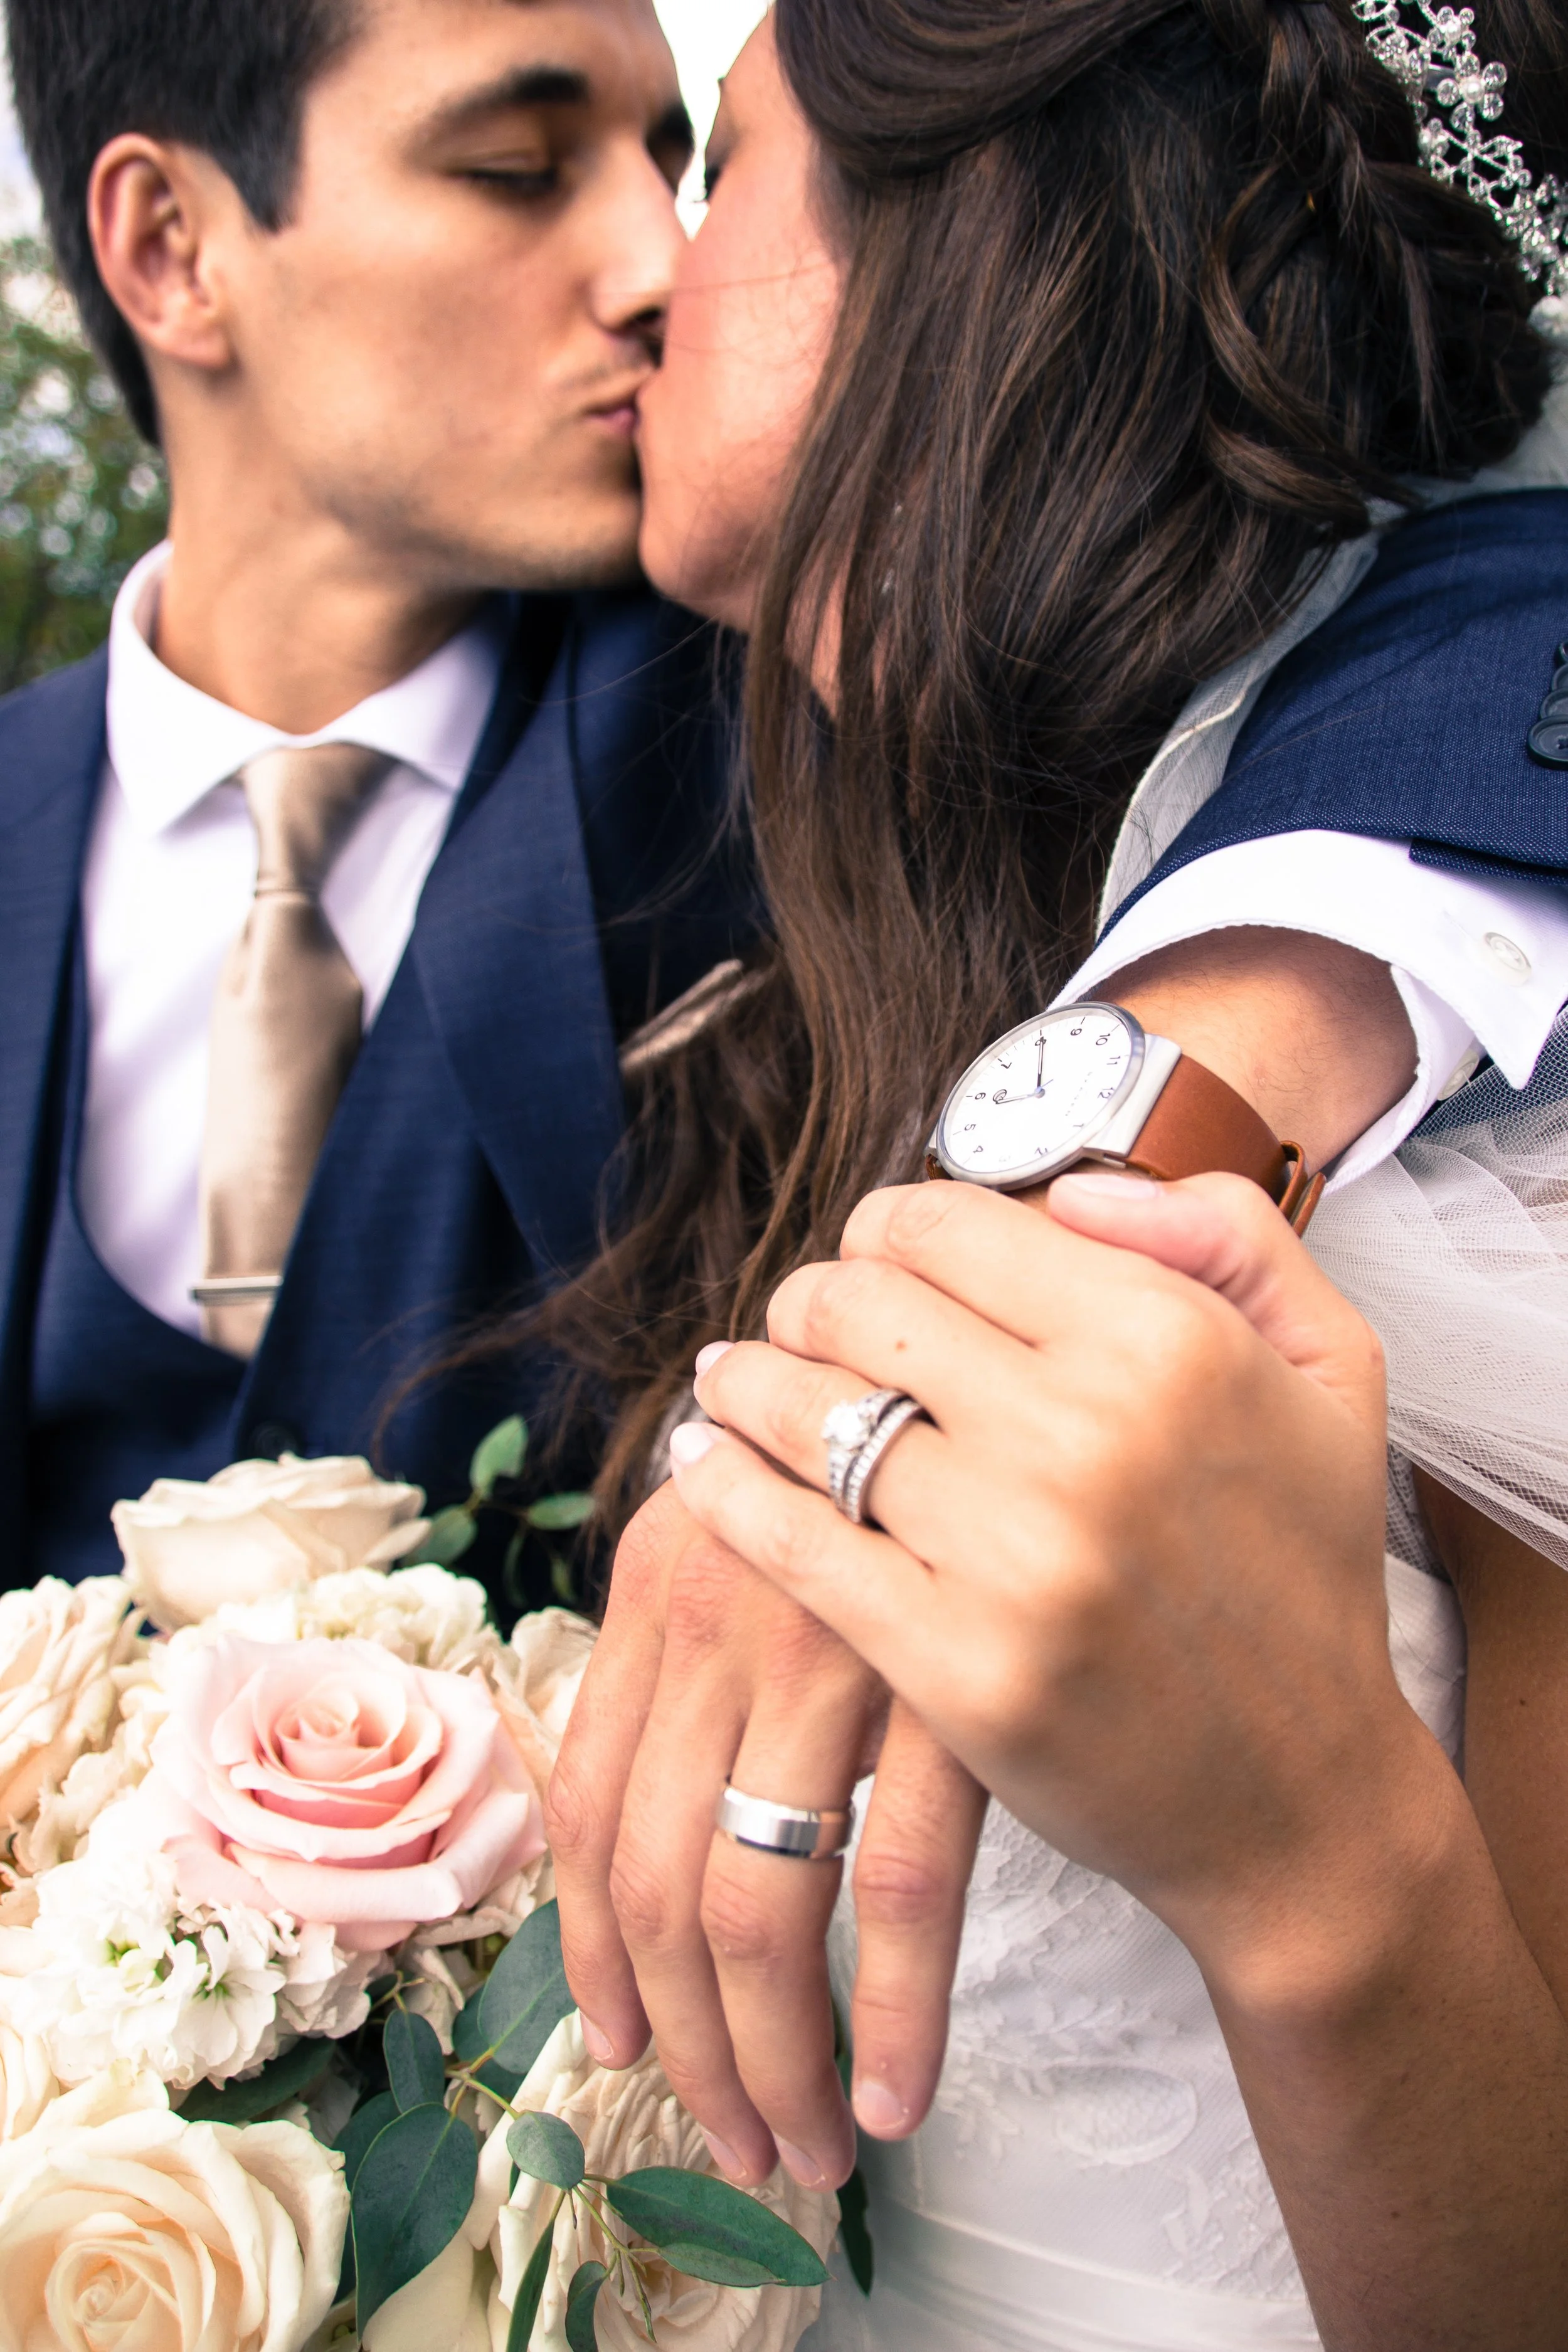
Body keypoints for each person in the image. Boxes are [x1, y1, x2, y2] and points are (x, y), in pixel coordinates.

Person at [531, 4, 1568, 2345]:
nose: (641, 265)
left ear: (951, 240)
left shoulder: (1436, 1121)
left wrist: (1316, 1867)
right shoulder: (738, 814)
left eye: (717, 167)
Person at [0, 0, 754, 1587]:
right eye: (514, 167)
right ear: (172, 249)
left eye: (666, 168)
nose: (660, 270)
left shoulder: (790, 752)